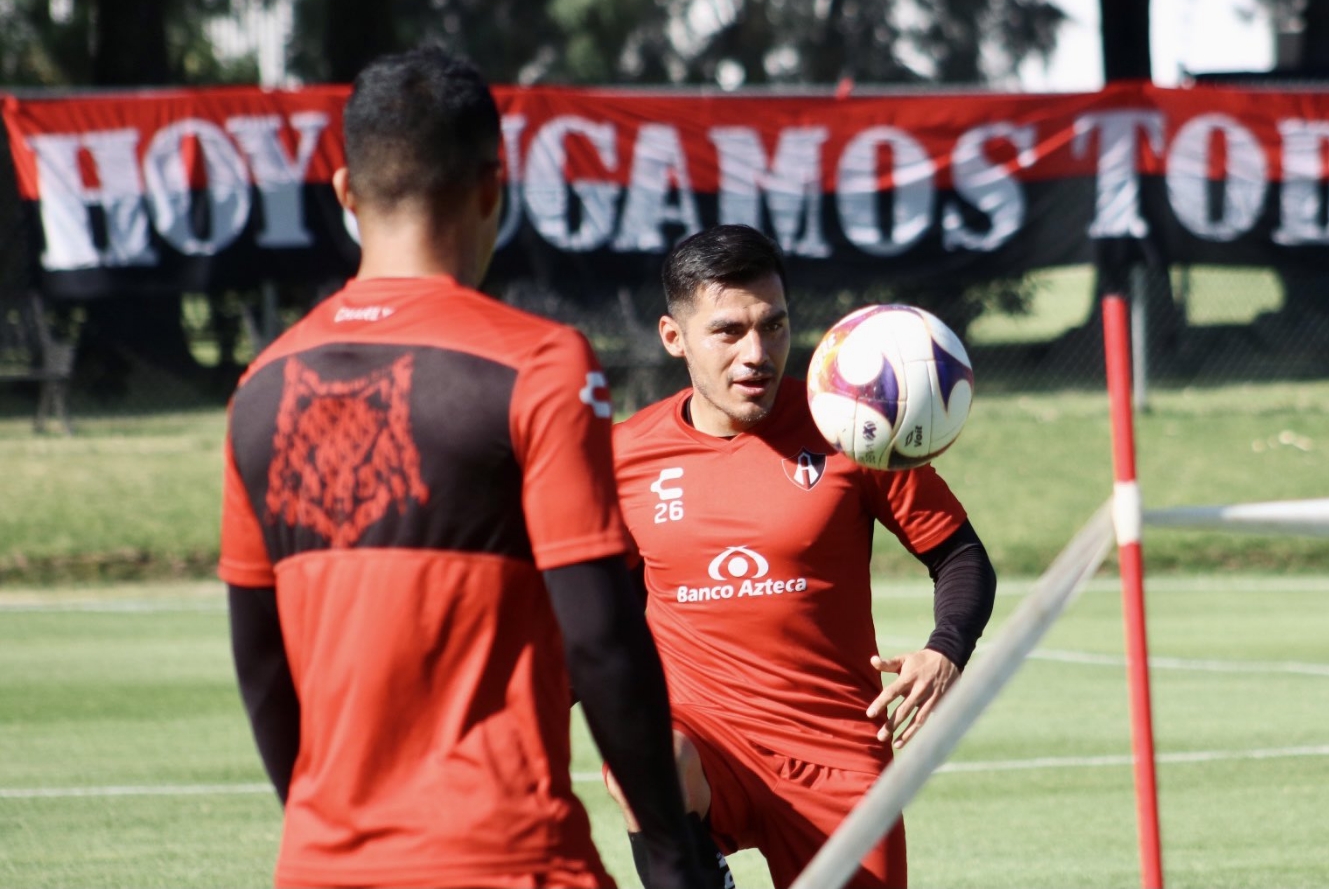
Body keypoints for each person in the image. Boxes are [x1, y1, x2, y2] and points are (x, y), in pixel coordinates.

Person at [219, 47, 710, 889]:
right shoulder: (540, 365)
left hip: (323, 865)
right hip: (507, 858)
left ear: (344, 194)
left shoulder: (258, 390)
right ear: (494, 188)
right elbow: (602, 640)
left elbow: (261, 666)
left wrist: (329, 831)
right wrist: (670, 858)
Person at [604, 224, 998, 889]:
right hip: (706, 740)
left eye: (774, 326)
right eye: (729, 331)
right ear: (675, 338)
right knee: (645, 760)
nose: (758, 353)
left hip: (836, 755)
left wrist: (946, 647)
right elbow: (593, 613)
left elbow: (959, 554)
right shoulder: (625, 456)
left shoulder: (854, 427)